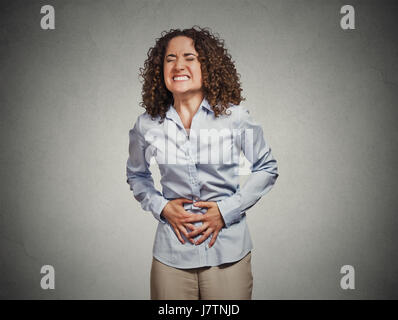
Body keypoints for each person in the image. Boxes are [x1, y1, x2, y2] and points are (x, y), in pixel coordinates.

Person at [126, 26, 279, 300]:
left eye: (189, 57)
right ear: (160, 70)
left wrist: (226, 210)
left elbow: (266, 168)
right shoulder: (147, 125)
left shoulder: (236, 117)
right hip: (171, 255)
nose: (178, 65)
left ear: (207, 66)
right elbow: (136, 175)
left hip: (228, 253)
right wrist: (161, 207)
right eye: (170, 59)